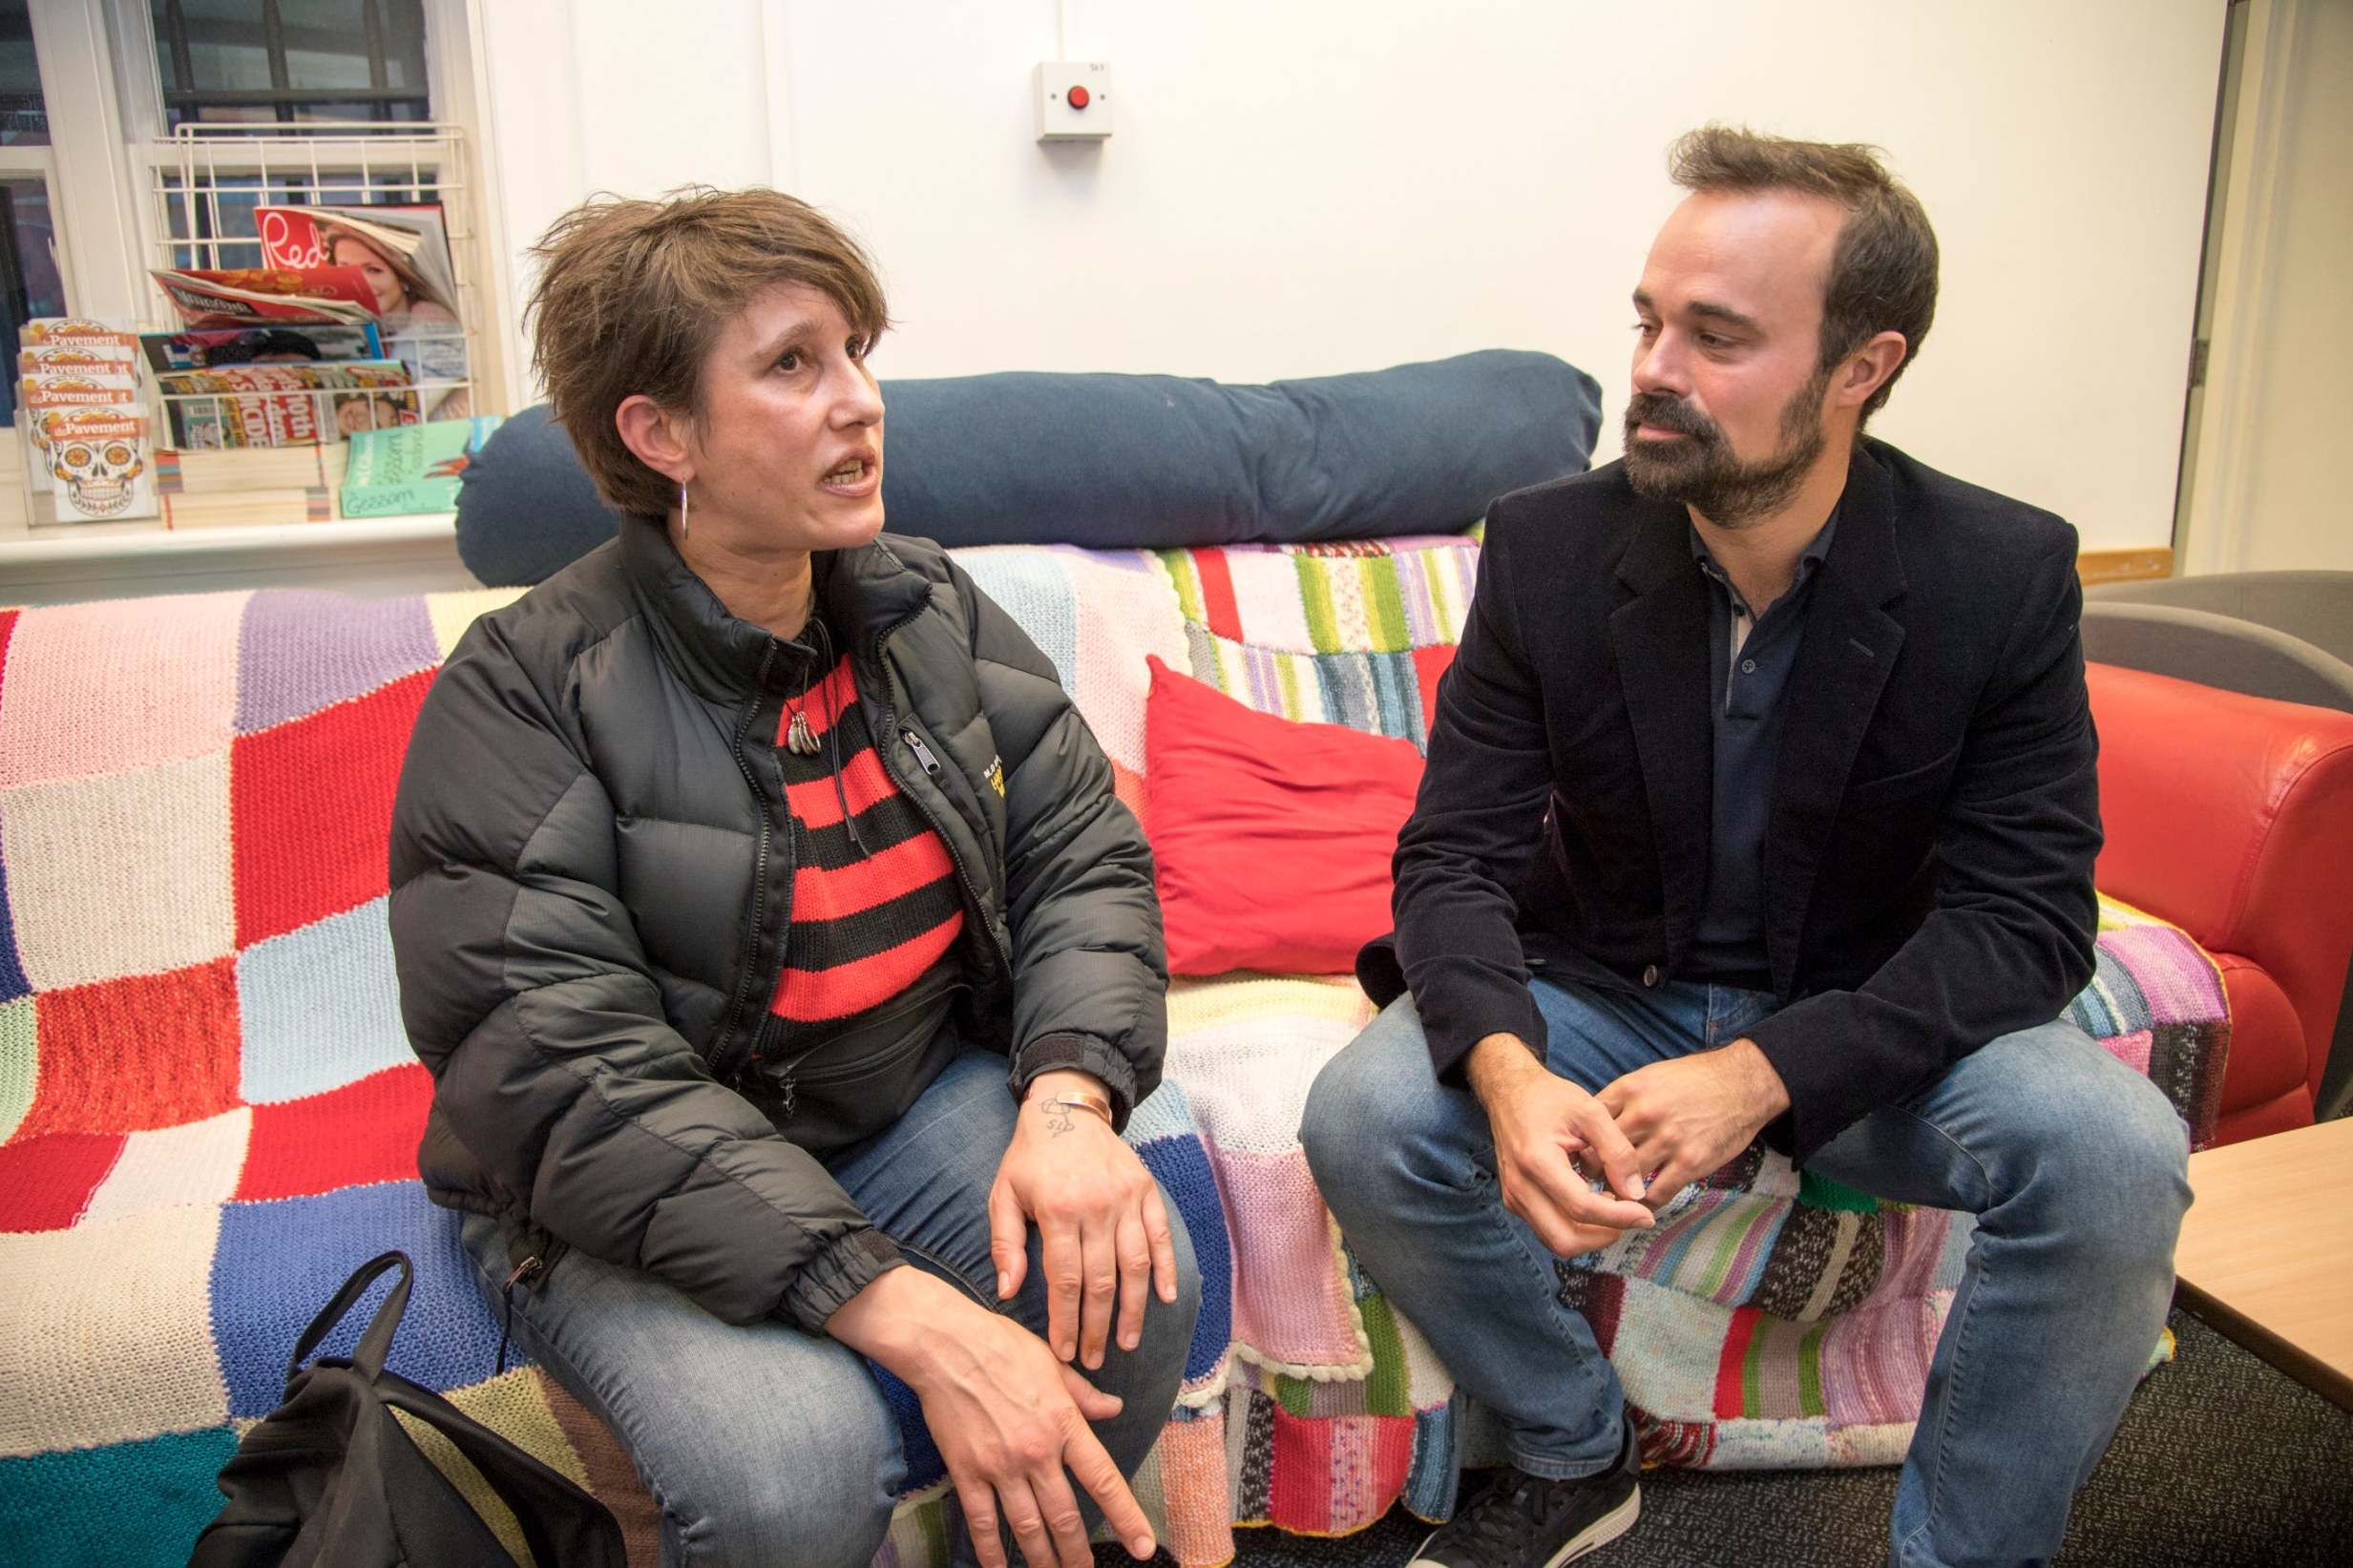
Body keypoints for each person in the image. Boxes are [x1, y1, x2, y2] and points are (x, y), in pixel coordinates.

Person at [1300, 127, 2192, 1568]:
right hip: (1608, 986)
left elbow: (2027, 919)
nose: (1654, 369)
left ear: (1861, 368)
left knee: (2109, 1149)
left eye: (1716, 337)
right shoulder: (1543, 547)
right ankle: (1574, 1447)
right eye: (1648, 322)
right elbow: (1450, 856)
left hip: (1862, 1013)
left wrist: (1768, 1072)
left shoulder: (1998, 573)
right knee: (1366, 1114)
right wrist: (1508, 1069)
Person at [389, 187, 1199, 1568]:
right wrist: (887, 1299)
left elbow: (1080, 856)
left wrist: (1067, 1099)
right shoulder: (523, 689)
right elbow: (557, 1066)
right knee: (787, 1474)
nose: (859, 403)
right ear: (659, 435)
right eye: (790, 364)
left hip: (883, 1093)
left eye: (856, 353)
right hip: (615, 1182)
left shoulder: (924, 603)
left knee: (1126, 1287)